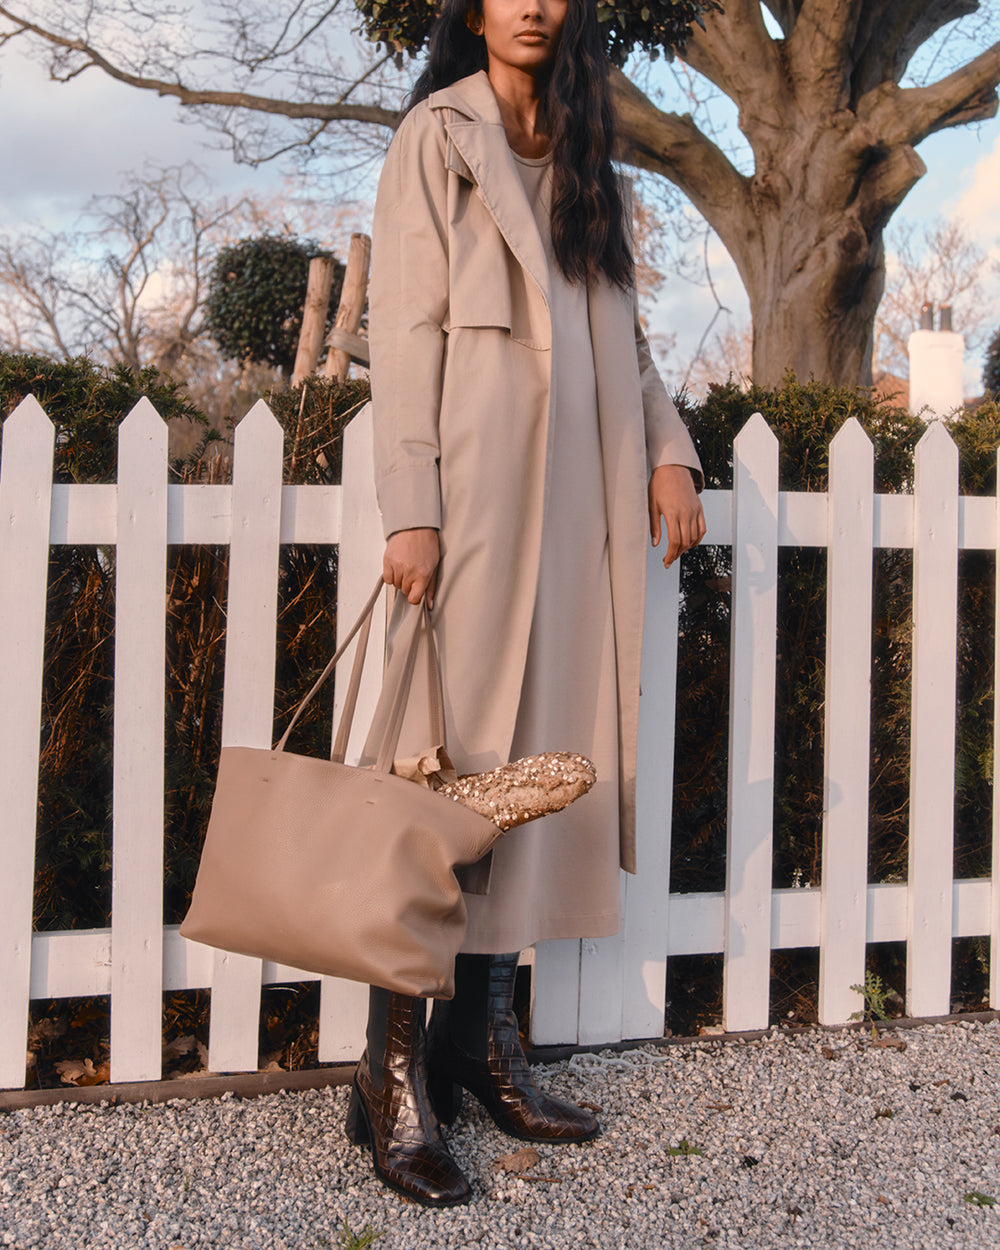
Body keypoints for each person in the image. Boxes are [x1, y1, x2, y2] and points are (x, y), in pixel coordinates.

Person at [345, 0, 706, 1207]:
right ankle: (390, 1074)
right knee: (439, 771)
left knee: (539, 771)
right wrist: (411, 503)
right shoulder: (435, 138)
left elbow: (632, 336)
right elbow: (401, 326)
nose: (533, 4)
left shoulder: (587, 149)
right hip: (476, 496)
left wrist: (668, 446)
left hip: (583, 506)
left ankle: (484, 1042)